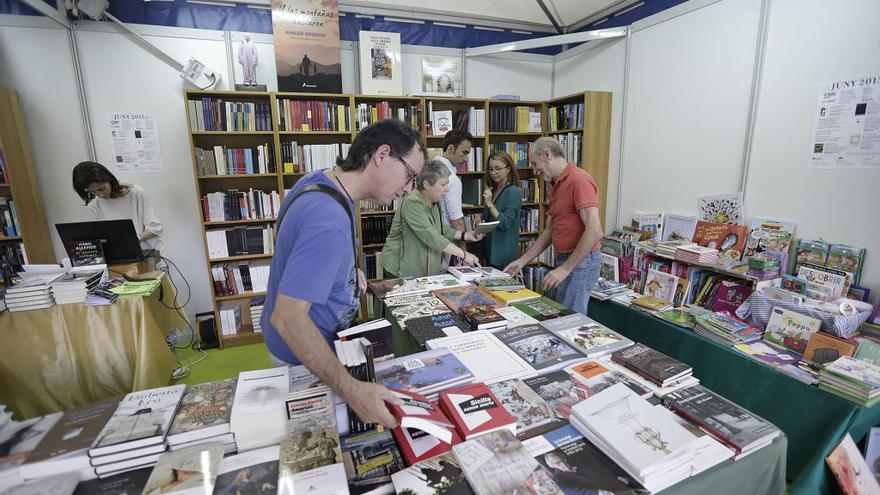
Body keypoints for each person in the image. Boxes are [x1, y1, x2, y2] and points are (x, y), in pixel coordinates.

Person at [262, 119, 426, 429]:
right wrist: (353, 391)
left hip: (311, 346)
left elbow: (306, 251)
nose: (408, 189)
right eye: (409, 175)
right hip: (305, 358)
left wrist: (346, 271)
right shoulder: (327, 219)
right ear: (382, 155)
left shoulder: (325, 182)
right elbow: (288, 318)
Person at [504, 137, 604, 314]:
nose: (535, 171)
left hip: (581, 261)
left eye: (535, 164)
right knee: (563, 314)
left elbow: (595, 230)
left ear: (547, 154)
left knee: (570, 319)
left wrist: (565, 268)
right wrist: (522, 261)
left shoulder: (579, 180)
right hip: (566, 259)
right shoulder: (556, 185)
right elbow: (550, 231)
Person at [380, 159, 482, 278]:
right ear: (426, 185)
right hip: (400, 269)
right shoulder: (412, 202)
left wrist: (465, 235)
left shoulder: (434, 202)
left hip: (422, 270)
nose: (447, 189)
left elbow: (440, 228)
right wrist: (464, 255)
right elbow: (431, 236)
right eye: (443, 184)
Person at [72, 161, 163, 251]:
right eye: (92, 192)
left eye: (102, 189)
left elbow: (155, 228)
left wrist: (133, 240)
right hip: (120, 255)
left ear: (109, 179)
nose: (100, 195)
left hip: (148, 252)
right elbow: (100, 237)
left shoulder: (136, 194)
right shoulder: (95, 205)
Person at [482, 150, 522, 269]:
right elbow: (491, 216)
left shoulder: (513, 192)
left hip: (503, 254)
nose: (493, 172)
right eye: (490, 169)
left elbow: (504, 223)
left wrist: (489, 204)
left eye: (498, 168)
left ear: (508, 169)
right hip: (491, 250)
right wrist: (480, 217)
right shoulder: (493, 190)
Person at [435, 130, 473, 233]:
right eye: (464, 153)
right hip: (447, 240)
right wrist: (463, 248)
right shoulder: (452, 179)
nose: (466, 159)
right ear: (451, 148)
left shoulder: (429, 170)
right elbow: (457, 222)